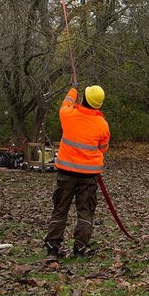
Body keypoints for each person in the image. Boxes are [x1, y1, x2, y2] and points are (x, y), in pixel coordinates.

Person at [44, 84, 110, 260]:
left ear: (84, 99)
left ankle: (52, 247)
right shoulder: (102, 125)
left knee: (60, 209)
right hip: (88, 177)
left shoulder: (69, 115)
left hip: (66, 174)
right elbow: (103, 148)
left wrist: (73, 90)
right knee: (86, 212)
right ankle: (80, 249)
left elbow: (65, 104)